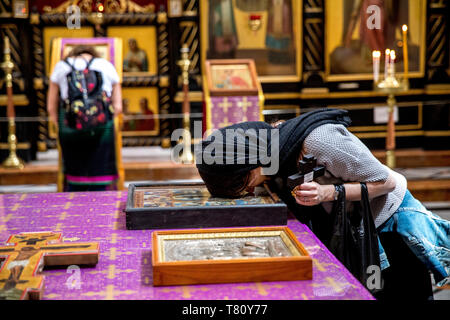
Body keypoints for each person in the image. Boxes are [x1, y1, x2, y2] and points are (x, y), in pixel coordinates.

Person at [195, 108, 450, 300]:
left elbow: (385, 182)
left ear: (250, 162)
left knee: (397, 294)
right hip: (353, 228)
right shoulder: (275, 149)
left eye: (246, 182)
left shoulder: (319, 141)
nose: (251, 189)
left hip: (388, 226)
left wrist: (328, 192)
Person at [47, 45, 122, 191]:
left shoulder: (61, 66)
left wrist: (60, 125)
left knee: (75, 171)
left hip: (70, 126)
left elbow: (51, 107)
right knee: (101, 171)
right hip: (102, 127)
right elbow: (118, 106)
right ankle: (102, 203)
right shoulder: (106, 65)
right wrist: (103, 119)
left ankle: (75, 202)